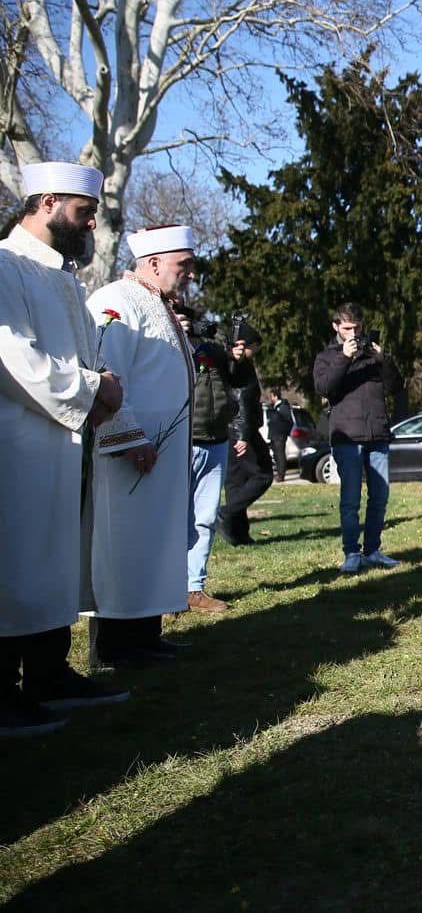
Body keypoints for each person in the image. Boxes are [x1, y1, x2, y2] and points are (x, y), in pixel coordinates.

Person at [1, 161, 130, 736]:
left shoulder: (64, 277)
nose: (91, 223)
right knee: (16, 562)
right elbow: (13, 358)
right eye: (84, 212)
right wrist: (91, 388)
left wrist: (99, 390)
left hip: (62, 441)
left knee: (54, 561)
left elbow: (80, 357)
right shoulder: (5, 266)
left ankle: (48, 673)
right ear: (47, 202)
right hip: (17, 445)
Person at [85, 224, 202, 667]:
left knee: (155, 541)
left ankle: (146, 633)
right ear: (153, 262)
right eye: (183, 265)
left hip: (161, 454)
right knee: (124, 542)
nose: (190, 274)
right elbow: (104, 372)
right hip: (129, 454)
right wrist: (128, 436)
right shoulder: (116, 300)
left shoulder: (158, 305)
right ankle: (114, 645)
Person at [313, 303, 407, 573]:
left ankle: (373, 550)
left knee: (379, 497)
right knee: (350, 500)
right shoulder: (326, 357)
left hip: (377, 434)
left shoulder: (372, 354)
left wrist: (383, 359)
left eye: (357, 327)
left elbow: (396, 386)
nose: (353, 333)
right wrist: (344, 358)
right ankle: (352, 553)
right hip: (347, 438)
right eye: (347, 328)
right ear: (335, 327)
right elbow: (324, 388)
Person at [175, 304, 251, 613]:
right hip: (180, 440)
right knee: (172, 519)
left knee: (204, 518)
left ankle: (194, 588)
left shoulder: (212, 350)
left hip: (215, 441)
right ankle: (166, 591)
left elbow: (239, 381)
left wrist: (239, 358)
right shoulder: (166, 346)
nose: (193, 326)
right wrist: (177, 337)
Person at [218, 319, 273, 546]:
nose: (256, 351)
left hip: (232, 429)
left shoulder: (232, 364)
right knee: (263, 475)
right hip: (242, 430)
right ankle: (226, 513)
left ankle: (237, 533)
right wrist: (243, 435)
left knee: (236, 481)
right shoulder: (239, 365)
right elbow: (242, 399)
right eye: (254, 347)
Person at [265, 388, 295, 481]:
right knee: (276, 455)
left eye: (271, 396)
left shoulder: (283, 407)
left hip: (280, 435)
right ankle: (278, 473)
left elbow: (289, 421)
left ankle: (281, 475)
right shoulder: (273, 407)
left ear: (275, 396)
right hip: (273, 435)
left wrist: (285, 432)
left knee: (280, 455)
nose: (270, 398)